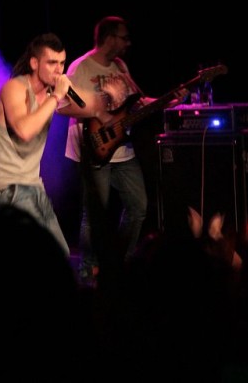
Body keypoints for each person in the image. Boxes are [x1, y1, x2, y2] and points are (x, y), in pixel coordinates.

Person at [57, 15, 186, 287]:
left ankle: (119, 263)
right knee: (94, 214)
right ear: (109, 38)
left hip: (122, 150)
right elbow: (63, 106)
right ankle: (88, 270)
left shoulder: (120, 67)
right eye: (124, 37)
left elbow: (136, 102)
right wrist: (98, 112)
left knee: (138, 207)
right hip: (94, 149)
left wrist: (169, 101)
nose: (128, 43)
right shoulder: (81, 67)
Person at [0, 32, 73, 258]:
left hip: (32, 185)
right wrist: (56, 97)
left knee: (61, 253)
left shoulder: (51, 94)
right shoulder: (14, 88)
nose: (59, 70)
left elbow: (88, 107)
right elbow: (25, 131)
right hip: (5, 185)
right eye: (52, 63)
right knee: (43, 256)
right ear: (34, 63)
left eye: (62, 63)